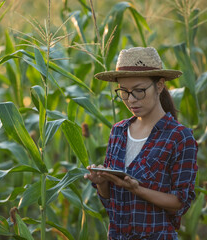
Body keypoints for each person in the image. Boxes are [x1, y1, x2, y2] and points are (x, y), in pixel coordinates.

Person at [84, 47, 198, 240]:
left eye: (139, 91)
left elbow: (180, 202)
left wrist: (137, 189)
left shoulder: (179, 137)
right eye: (124, 92)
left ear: (159, 85)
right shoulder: (118, 131)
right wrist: (102, 183)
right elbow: (112, 203)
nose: (131, 100)